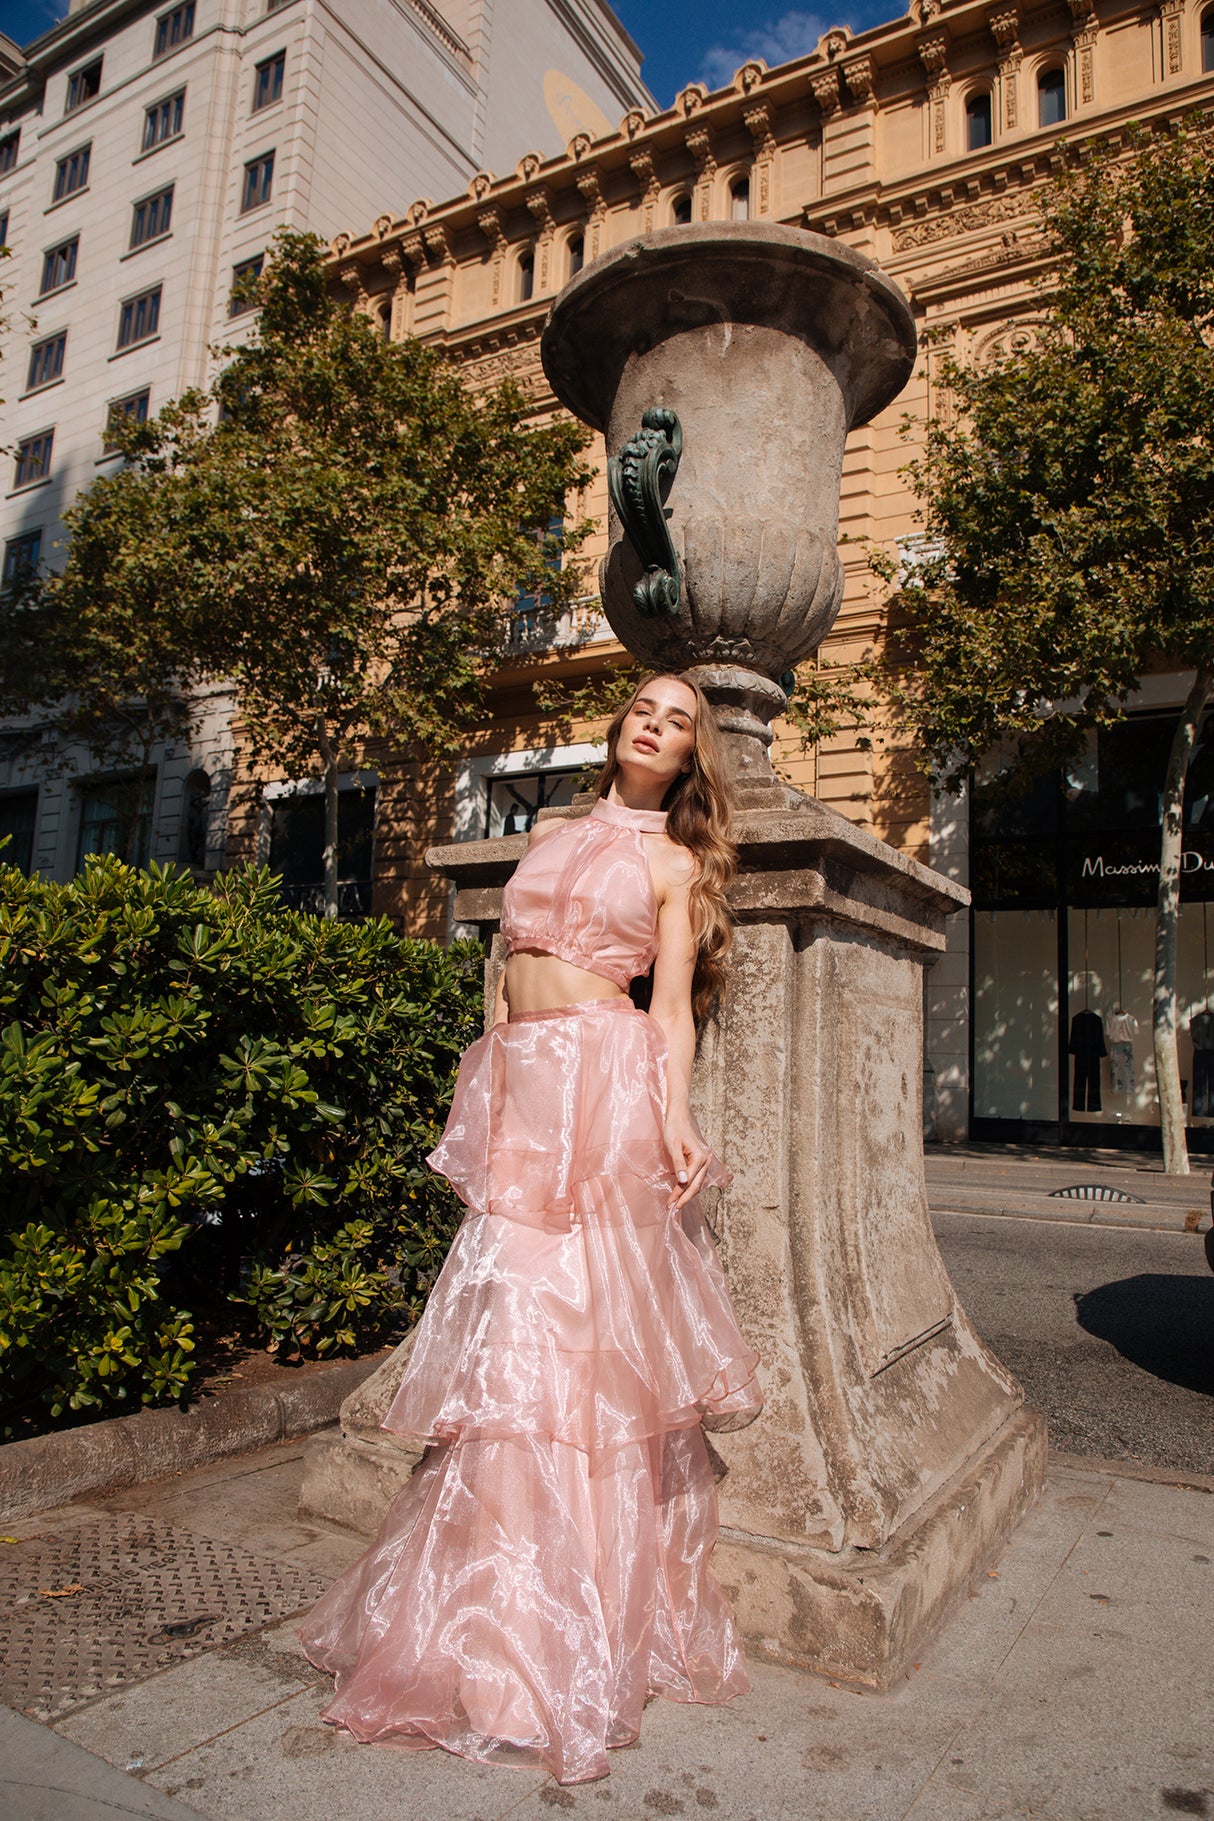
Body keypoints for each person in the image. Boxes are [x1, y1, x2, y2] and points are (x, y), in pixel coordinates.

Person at [299, 672, 763, 1786]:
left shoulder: (676, 861)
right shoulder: (551, 832)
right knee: (507, 1335)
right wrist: (493, 1092)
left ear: (693, 754)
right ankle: (482, 1617)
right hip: (523, 1084)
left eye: (677, 721)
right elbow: (505, 973)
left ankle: (559, 1635)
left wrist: (674, 1121)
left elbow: (667, 1008)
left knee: (581, 1349)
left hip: (606, 1089)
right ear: (618, 728)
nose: (654, 726)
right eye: (643, 710)